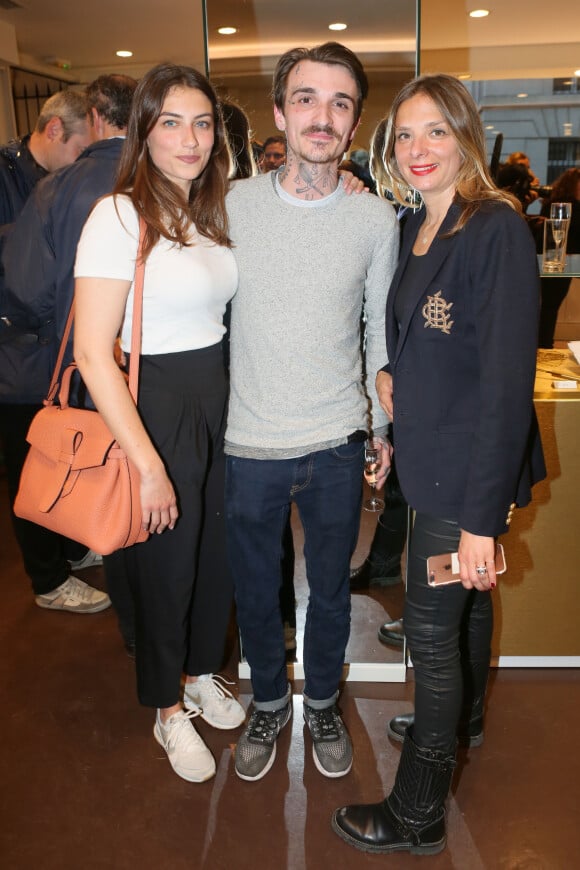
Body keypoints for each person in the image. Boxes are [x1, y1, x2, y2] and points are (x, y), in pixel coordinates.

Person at [332, 73, 545, 855]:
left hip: (466, 477)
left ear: (465, 138)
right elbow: (430, 348)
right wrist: (393, 390)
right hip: (430, 461)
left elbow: (502, 387)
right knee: (464, 616)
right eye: (405, 135)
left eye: (436, 132)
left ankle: (418, 809)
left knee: (429, 636)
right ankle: (460, 724)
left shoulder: (494, 229)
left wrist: (483, 523)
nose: (418, 149)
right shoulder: (416, 223)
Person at [225, 41, 399, 782]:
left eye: (339, 103)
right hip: (246, 440)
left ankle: (322, 698)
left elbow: (377, 334)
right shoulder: (229, 206)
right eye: (306, 98)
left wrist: (381, 429)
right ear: (279, 113)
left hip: (335, 439)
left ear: (355, 124)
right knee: (257, 592)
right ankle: (269, 698)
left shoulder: (375, 219)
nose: (321, 116)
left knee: (329, 591)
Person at [73, 63, 245, 783]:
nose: (190, 138)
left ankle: (202, 672)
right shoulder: (118, 214)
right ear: (142, 131)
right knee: (166, 569)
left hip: (218, 398)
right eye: (171, 121)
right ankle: (166, 708)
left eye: (202, 122)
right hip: (155, 405)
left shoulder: (209, 211)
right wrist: (146, 463)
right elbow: (90, 350)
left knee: (213, 559)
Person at [2, 74, 138, 636]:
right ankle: (50, 577)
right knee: (54, 461)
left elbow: (26, 286)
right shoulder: (158, 178)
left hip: (48, 354)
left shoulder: (58, 186)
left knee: (61, 458)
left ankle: (65, 556)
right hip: (56, 358)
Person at [538, 167, 580, 347]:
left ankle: (544, 344)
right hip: (564, 262)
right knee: (550, 307)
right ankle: (545, 345)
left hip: (548, 259)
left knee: (545, 307)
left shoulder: (550, 202)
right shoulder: (574, 207)